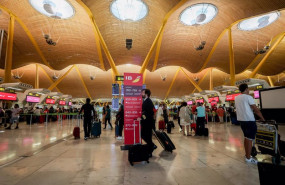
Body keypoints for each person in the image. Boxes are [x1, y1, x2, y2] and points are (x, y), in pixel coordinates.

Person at [235, 83, 265, 164]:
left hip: (241, 120)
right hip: (249, 120)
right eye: (248, 89)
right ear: (246, 89)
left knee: (246, 138)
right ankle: (248, 158)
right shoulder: (248, 97)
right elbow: (255, 109)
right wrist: (262, 118)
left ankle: (247, 155)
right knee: (249, 139)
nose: (249, 90)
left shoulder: (236, 98)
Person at [141, 89, 155, 157]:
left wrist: (141, 118)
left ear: (146, 94)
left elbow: (147, 113)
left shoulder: (148, 101)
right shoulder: (146, 101)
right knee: (146, 136)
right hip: (147, 122)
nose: (141, 94)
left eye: (142, 93)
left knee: (146, 136)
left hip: (147, 122)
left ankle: (151, 148)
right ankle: (151, 147)